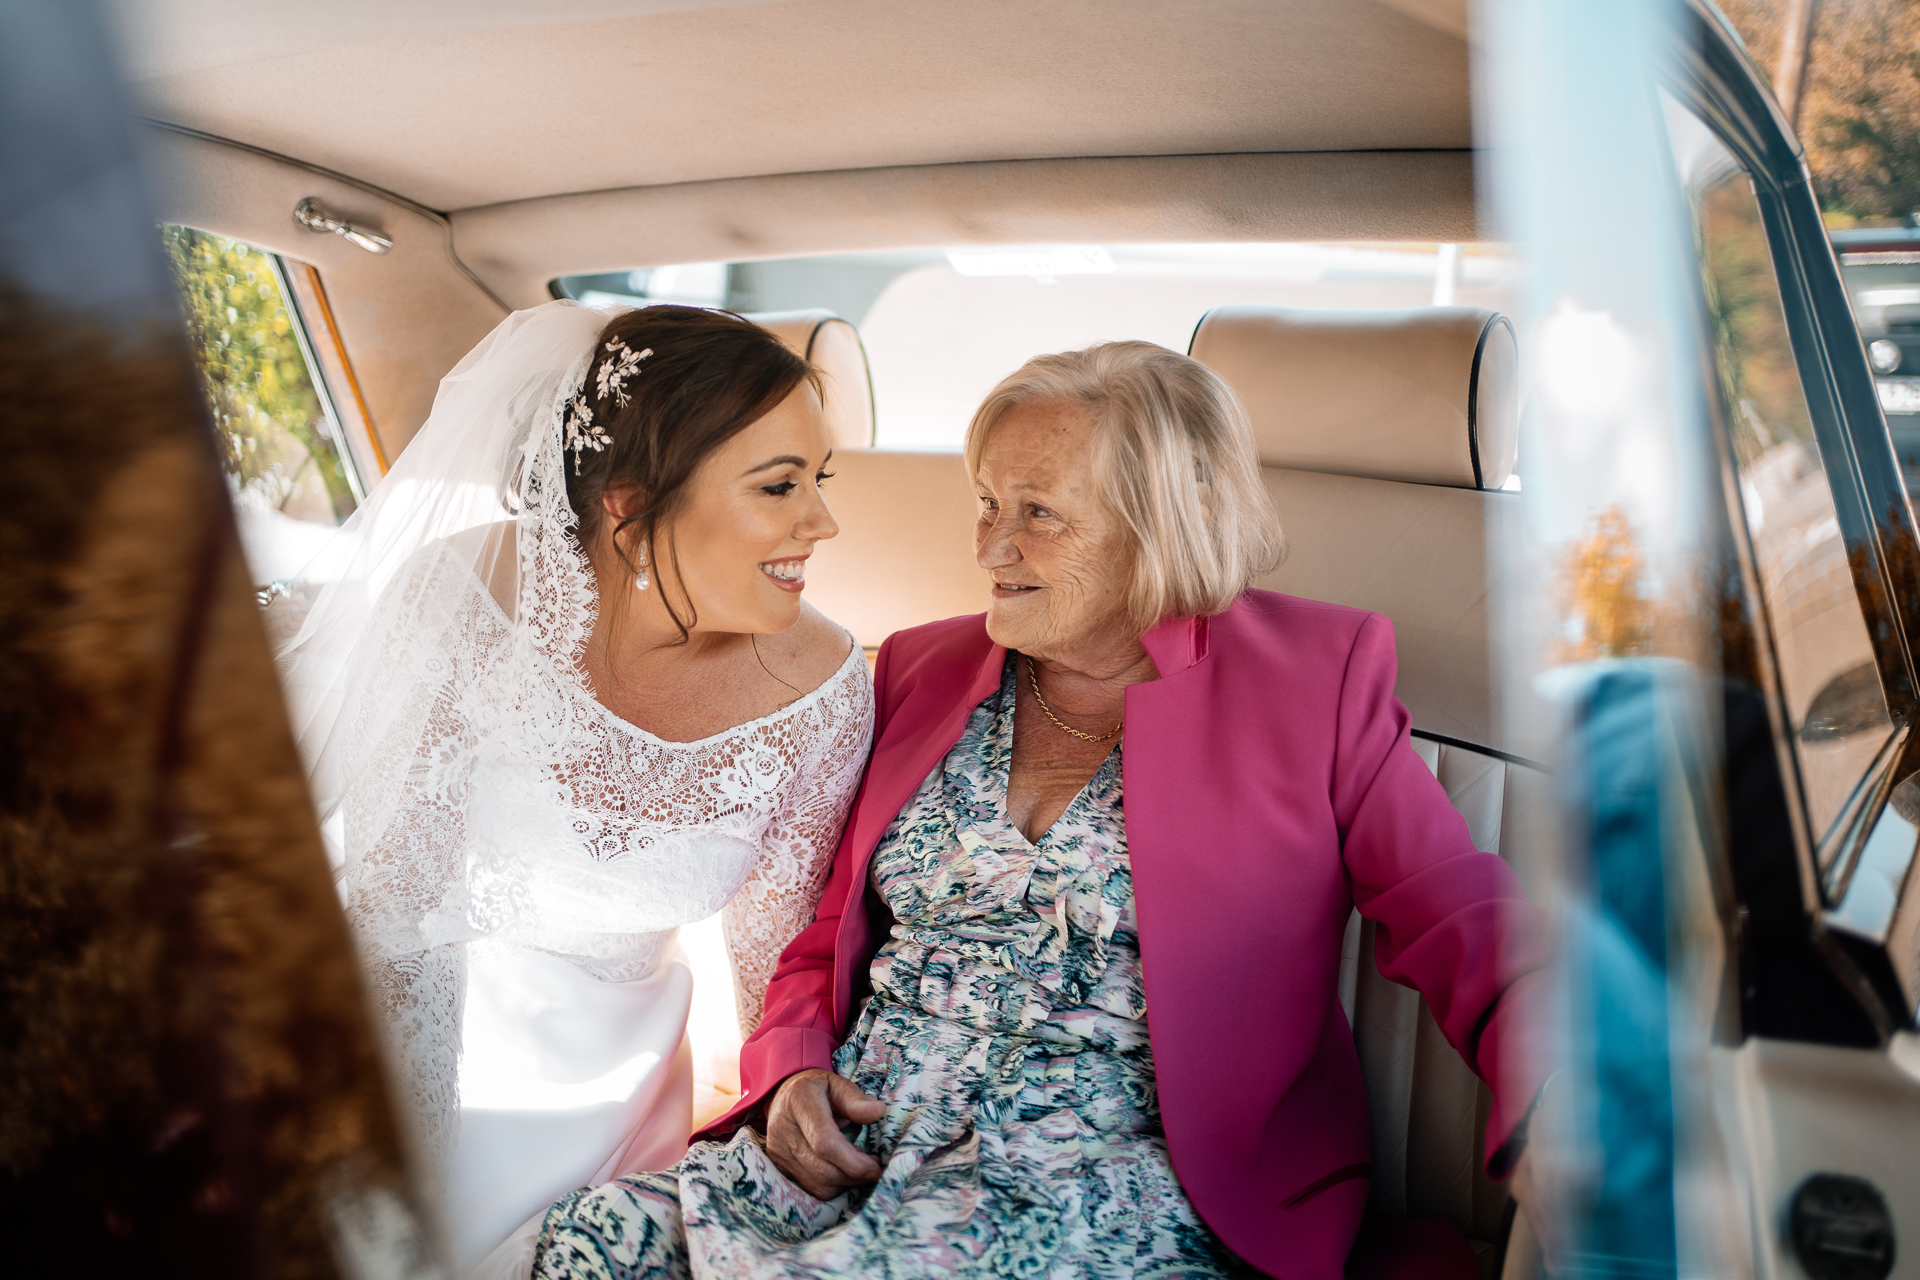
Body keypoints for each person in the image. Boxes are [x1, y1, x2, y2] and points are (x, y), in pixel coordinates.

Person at [523, 341, 1549, 1279]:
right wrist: (790, 1074)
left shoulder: (1316, 675)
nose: (989, 546)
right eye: (984, 501)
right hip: (861, 1147)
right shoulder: (921, 666)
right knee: (588, 1240)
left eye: (1037, 512)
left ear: (1160, 522)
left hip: (1115, 1176)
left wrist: (1565, 1098)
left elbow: (1456, 914)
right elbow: (825, 929)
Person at [274, 301, 873, 1275]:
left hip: (622, 1080)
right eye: (779, 485)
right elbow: (398, 920)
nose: (824, 521)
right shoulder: (456, 599)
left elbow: (777, 966)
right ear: (630, 505)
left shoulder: (825, 689)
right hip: (408, 1035)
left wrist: (776, 1157)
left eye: (821, 478)